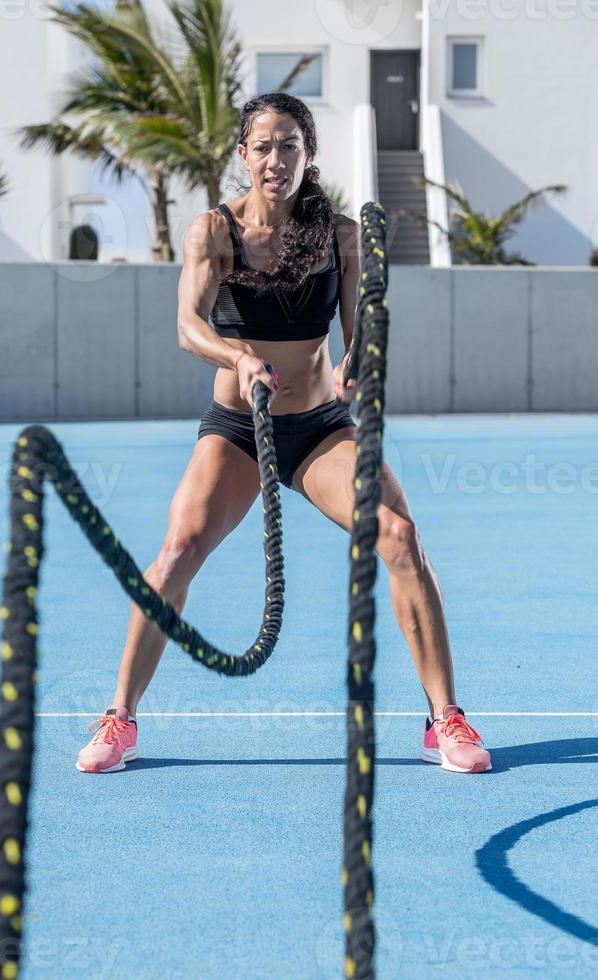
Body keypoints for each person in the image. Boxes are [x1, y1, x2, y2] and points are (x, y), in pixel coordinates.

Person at [76, 92, 491, 775]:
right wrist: (237, 357)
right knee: (176, 553)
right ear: (243, 155)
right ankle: (120, 718)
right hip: (238, 431)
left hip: (322, 431)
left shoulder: (342, 236)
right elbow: (188, 326)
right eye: (263, 146)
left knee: (400, 537)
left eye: (290, 145)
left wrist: (358, 366)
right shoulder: (215, 231)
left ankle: (445, 719)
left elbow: (360, 338)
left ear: (308, 153)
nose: (276, 159)